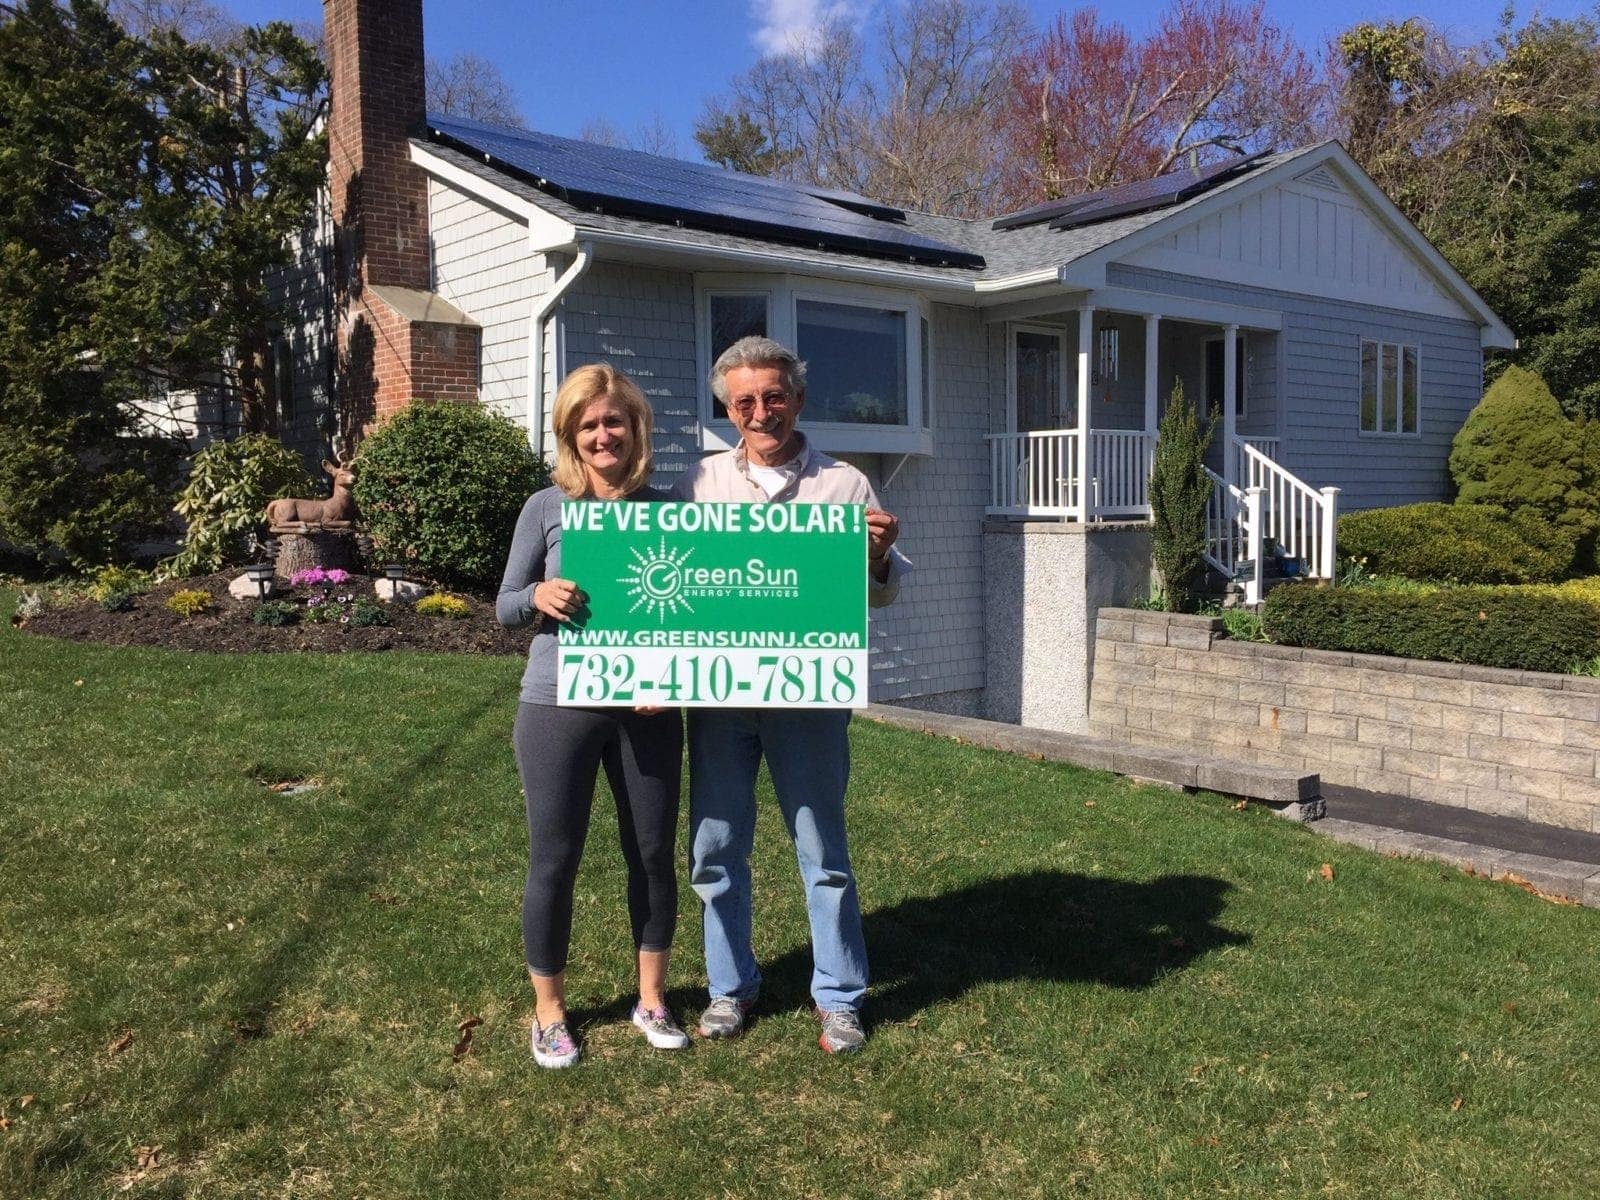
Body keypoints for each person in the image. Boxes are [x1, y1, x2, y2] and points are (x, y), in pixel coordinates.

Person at [673, 335, 908, 1055]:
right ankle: (729, 988)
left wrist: (876, 556)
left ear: (799, 398)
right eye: (744, 401)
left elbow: (888, 591)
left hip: (807, 697)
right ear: (726, 409)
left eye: (773, 395)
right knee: (714, 849)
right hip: (718, 698)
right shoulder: (697, 483)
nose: (761, 411)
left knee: (823, 853)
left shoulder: (846, 485)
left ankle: (839, 997)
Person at [497, 363, 688, 1068]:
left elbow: (695, 616)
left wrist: (676, 677)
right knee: (555, 856)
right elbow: (505, 602)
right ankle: (548, 1012)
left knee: (651, 854)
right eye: (588, 424)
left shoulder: (672, 510)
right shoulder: (545, 507)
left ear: (635, 428)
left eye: (614, 421)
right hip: (557, 706)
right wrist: (538, 596)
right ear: (569, 436)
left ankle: (652, 998)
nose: (603, 434)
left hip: (648, 708)